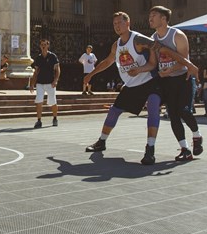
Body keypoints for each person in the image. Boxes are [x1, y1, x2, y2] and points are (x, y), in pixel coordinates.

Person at [81, 11, 189, 165]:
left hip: (150, 81)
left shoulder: (138, 39)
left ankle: (150, 149)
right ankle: (101, 141)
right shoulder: (116, 45)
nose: (117, 26)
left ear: (128, 23)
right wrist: (91, 74)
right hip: (132, 85)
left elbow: (157, 54)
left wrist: (187, 64)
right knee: (114, 111)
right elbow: (107, 61)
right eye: (114, 24)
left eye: (120, 23)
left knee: (153, 107)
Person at [149, 6, 203, 160]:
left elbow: (184, 61)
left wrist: (170, 69)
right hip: (167, 81)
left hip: (184, 78)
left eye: (154, 15)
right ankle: (185, 149)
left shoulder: (177, 35)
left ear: (164, 19)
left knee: (184, 111)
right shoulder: (153, 38)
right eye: (149, 15)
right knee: (173, 115)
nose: (150, 18)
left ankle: (197, 136)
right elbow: (154, 62)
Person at [30, 39, 61, 128]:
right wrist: (32, 84)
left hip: (50, 83)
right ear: (40, 46)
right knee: (39, 101)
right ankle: (39, 120)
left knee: (53, 101)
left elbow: (58, 69)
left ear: (48, 46)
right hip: (40, 83)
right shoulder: (38, 58)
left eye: (45, 44)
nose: (43, 46)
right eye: (42, 45)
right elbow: (36, 72)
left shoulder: (52, 56)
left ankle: (55, 118)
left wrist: (55, 80)